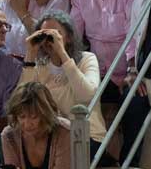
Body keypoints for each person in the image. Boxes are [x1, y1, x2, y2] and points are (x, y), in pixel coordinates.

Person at [70, 0, 151, 163]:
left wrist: (134, 69)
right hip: (99, 74)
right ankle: (101, 161)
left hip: (129, 72)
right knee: (70, 96)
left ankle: (129, 168)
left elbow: (135, 32)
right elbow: (73, 37)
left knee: (135, 101)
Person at [18, 11, 109, 154]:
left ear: (69, 37)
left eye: (55, 34)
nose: (49, 40)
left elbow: (86, 95)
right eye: (44, 35)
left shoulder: (87, 59)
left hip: (87, 137)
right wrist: (30, 54)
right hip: (50, 139)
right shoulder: (39, 67)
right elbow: (22, 102)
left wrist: (62, 53)